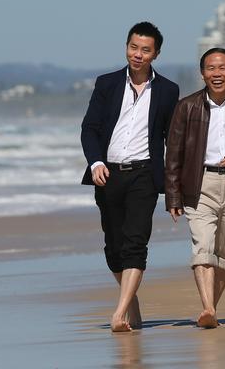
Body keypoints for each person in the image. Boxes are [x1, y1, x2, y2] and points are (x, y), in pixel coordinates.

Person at [81, 21, 179, 332]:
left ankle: (119, 313)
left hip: (144, 175)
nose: (138, 54)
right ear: (126, 47)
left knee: (136, 242)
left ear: (156, 53)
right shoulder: (107, 84)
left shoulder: (167, 90)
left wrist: (174, 184)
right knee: (114, 247)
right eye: (133, 47)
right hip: (108, 174)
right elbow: (90, 129)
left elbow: (171, 138)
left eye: (145, 50)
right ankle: (132, 301)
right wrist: (96, 162)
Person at [165, 48, 225, 328]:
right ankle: (208, 308)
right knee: (203, 246)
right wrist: (173, 195)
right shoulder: (187, 107)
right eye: (211, 68)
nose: (216, 74)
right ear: (202, 73)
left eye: (222, 68)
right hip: (199, 183)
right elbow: (173, 154)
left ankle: (211, 309)